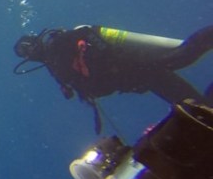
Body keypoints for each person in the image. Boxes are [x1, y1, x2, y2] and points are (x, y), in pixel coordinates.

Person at [14, 24, 213, 131]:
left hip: (134, 63)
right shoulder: (56, 70)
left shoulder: (60, 42)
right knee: (197, 108)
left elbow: (87, 34)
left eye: (27, 47)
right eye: (24, 54)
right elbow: (94, 89)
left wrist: (102, 57)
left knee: (182, 56)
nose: (29, 53)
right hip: (139, 77)